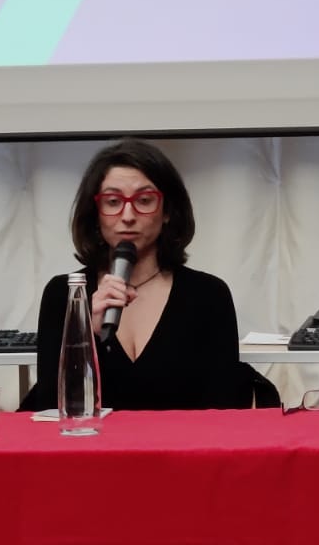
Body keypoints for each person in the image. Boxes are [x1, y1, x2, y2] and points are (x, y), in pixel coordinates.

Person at [18, 139, 250, 411]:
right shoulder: (66, 293)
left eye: (144, 200)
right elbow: (49, 410)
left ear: (167, 211)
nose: (127, 215)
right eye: (113, 201)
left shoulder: (208, 295)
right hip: (93, 439)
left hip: (183, 440)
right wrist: (87, 335)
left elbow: (226, 409)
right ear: (96, 214)